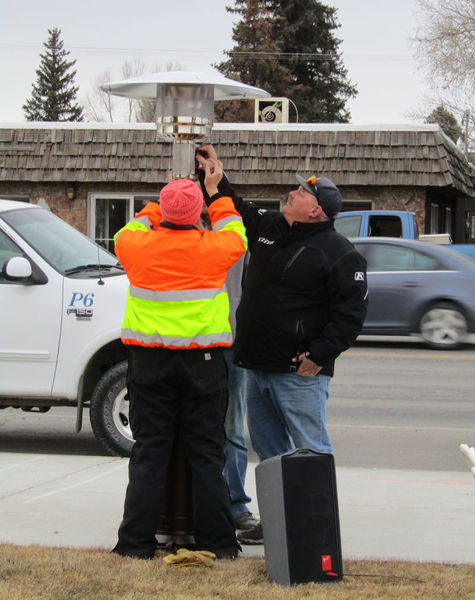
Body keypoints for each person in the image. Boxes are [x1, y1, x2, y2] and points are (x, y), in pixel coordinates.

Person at [196, 147, 368, 467]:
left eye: (302, 192)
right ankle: (279, 519)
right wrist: (213, 174)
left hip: (297, 374)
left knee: (310, 452)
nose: (292, 192)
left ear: (316, 210)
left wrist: (319, 355)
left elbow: (351, 314)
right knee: (270, 456)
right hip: (256, 367)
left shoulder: (340, 253)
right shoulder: (271, 226)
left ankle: (313, 519)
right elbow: (237, 207)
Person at [112, 161, 247, 560]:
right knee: (207, 452)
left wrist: (163, 199)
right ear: (197, 216)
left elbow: (134, 225)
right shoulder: (215, 248)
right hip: (203, 365)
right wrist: (213, 190)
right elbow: (235, 228)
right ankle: (219, 543)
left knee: (150, 451)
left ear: (164, 214)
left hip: (149, 363)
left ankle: (135, 544)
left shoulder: (133, 245)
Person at [197, 195, 261, 545]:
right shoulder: (180, 239)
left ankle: (235, 504)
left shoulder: (237, 240)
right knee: (197, 425)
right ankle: (197, 503)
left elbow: (254, 290)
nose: (205, 217)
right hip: (193, 342)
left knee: (233, 426)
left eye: (211, 211)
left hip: (232, 342)